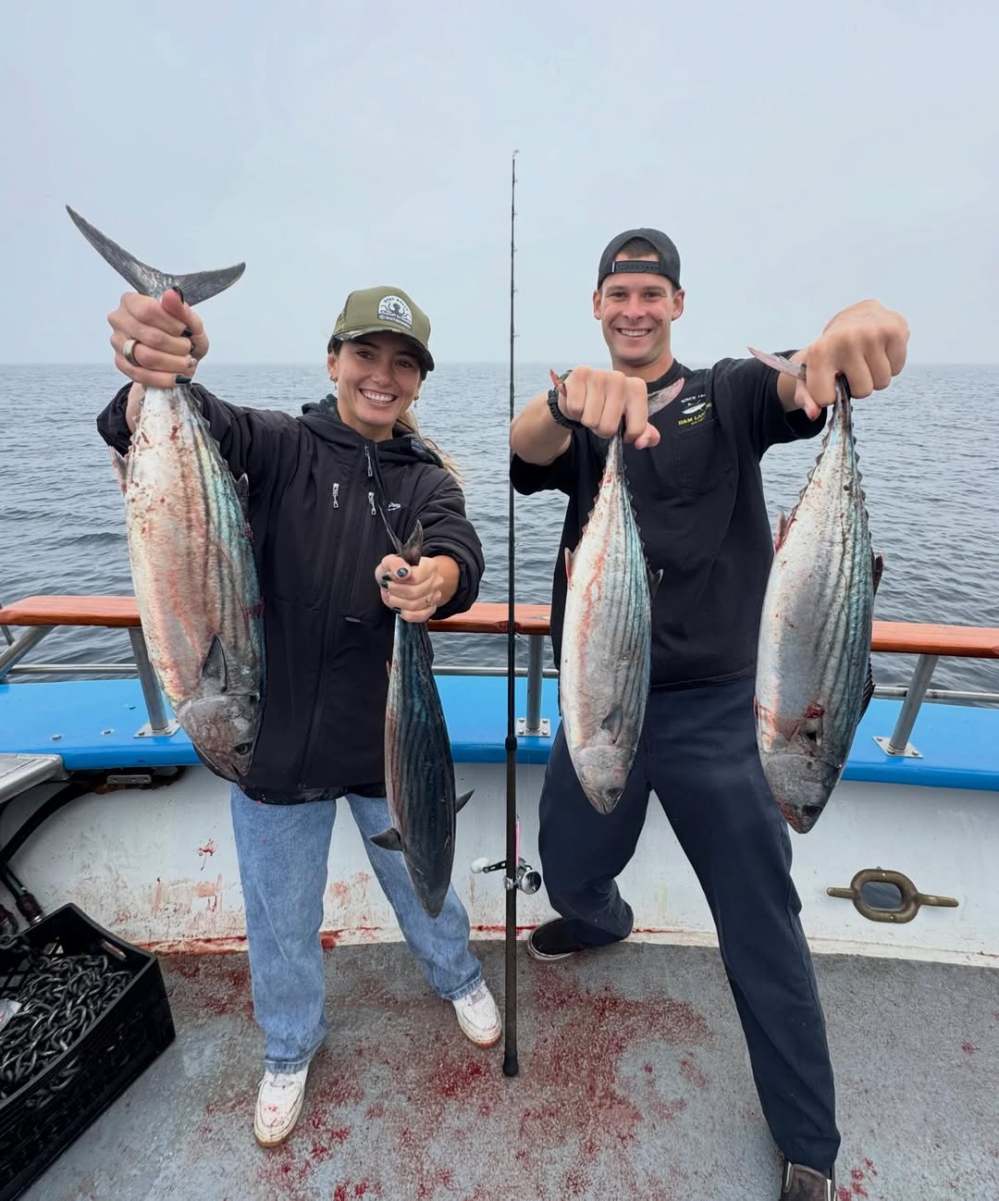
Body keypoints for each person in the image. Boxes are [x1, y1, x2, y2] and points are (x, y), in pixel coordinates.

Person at [509, 228, 909, 1201]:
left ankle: (808, 1136)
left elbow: (800, 381)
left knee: (760, 921)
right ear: (598, 307)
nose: (634, 309)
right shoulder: (584, 414)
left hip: (718, 709)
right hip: (602, 700)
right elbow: (526, 447)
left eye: (652, 293)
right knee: (567, 865)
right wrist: (565, 399)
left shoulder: (724, 394)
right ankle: (601, 918)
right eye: (619, 295)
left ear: (677, 305)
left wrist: (856, 329)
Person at [98, 283, 501, 1148]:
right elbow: (177, 423)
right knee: (280, 914)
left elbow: (457, 546)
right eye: (366, 356)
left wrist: (438, 579)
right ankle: (288, 1048)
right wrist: (155, 369)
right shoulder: (277, 445)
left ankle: (458, 974)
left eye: (402, 364)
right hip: (270, 746)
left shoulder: (424, 478)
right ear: (333, 360)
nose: (381, 377)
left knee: (419, 874)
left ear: (419, 381)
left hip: (383, 742)